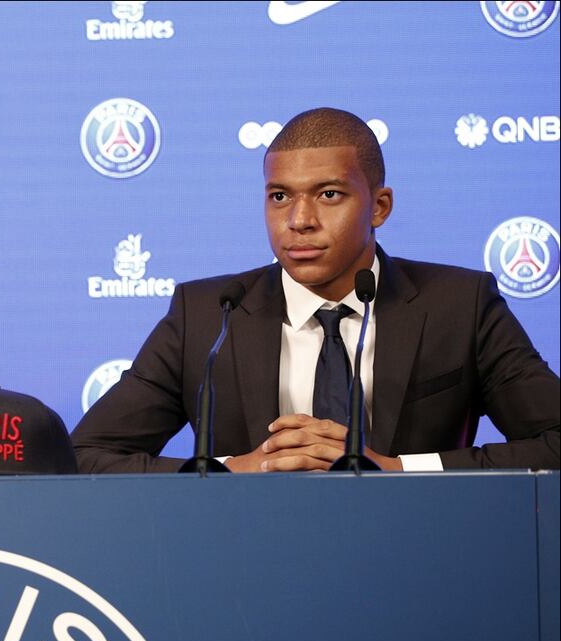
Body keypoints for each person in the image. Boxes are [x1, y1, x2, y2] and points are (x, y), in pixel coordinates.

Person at [72, 107, 560, 473]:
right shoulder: (206, 315)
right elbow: (86, 455)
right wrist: (229, 470)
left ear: (379, 206)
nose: (298, 221)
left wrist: (396, 469)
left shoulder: (460, 305)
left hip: (416, 556)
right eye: (279, 196)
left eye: (329, 195)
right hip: (244, 564)